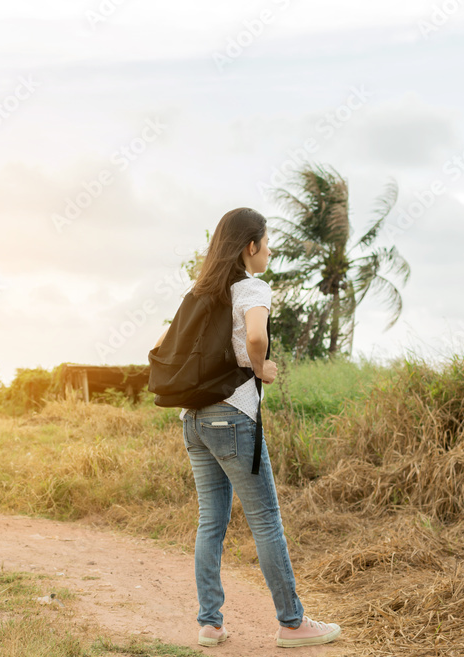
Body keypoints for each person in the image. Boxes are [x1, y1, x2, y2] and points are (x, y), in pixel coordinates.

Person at [154, 207, 341, 649]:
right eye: (267, 242)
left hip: (194, 421)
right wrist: (262, 368)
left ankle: (210, 623)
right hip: (232, 418)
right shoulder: (251, 287)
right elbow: (256, 337)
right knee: (266, 522)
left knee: (210, 524)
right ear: (250, 246)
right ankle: (292, 624)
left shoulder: (197, 294)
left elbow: (161, 347)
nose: (270, 251)